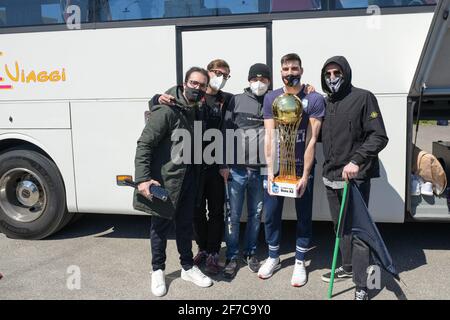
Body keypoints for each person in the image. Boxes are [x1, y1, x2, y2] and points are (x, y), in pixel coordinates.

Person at [134, 67, 213, 297]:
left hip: (189, 179)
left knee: (185, 225)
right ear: (184, 83)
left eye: (201, 85)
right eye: (193, 83)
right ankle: (157, 270)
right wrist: (142, 179)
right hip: (165, 181)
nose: (196, 88)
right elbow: (145, 144)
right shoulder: (167, 109)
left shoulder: (196, 110)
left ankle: (187, 266)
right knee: (159, 228)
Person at [150, 59, 233, 276]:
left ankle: (214, 253)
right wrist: (155, 99)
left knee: (216, 211)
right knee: (195, 213)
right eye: (216, 72)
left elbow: (227, 133)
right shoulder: (193, 95)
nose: (219, 77)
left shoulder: (228, 100)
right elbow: (164, 103)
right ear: (206, 75)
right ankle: (202, 249)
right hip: (193, 167)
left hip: (215, 166)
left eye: (224, 75)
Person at [319, 56, 388, 300]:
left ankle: (362, 285)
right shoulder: (326, 103)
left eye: (336, 72)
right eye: (328, 74)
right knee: (340, 228)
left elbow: (379, 136)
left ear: (346, 73)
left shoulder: (363, 97)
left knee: (359, 232)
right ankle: (347, 267)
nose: (332, 78)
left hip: (355, 178)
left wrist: (356, 161)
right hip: (331, 177)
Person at [258, 53, 325, 287]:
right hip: (276, 168)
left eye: (294, 68)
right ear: (280, 72)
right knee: (272, 214)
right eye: (285, 69)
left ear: (302, 70)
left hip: (301, 167)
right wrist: (269, 171)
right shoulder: (271, 98)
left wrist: (305, 175)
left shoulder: (314, 99)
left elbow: (311, 139)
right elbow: (269, 136)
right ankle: (273, 257)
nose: (290, 73)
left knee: (304, 215)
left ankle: (299, 261)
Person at [219, 63, 271, 279]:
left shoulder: (273, 100)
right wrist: (222, 164)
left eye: (263, 79)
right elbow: (224, 132)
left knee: (256, 215)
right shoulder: (236, 100)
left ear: (269, 81)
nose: (259, 82)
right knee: (232, 215)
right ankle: (232, 256)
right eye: (255, 78)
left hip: (261, 171)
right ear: (249, 80)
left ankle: (250, 253)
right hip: (236, 170)